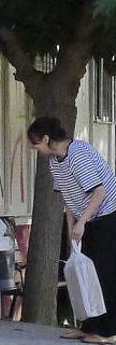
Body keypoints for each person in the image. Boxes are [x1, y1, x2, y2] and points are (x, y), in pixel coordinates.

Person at [28, 117, 116, 344]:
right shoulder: (55, 162)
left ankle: (107, 331)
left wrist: (82, 222)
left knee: (105, 274)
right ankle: (89, 326)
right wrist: (72, 230)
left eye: (36, 143)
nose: (34, 148)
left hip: (107, 216)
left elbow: (99, 193)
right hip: (87, 219)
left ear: (47, 139)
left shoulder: (78, 155)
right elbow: (68, 199)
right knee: (87, 274)